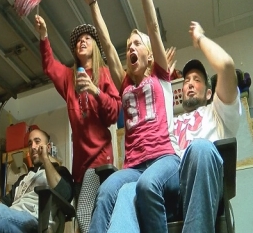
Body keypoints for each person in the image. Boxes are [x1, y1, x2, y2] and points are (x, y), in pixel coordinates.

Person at [107, 21, 241, 233]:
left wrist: (199, 38)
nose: (189, 83)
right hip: (164, 192)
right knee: (125, 191)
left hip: (199, 187)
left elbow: (225, 65)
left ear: (208, 93)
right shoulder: (171, 121)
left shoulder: (216, 112)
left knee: (200, 148)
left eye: (197, 80)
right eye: (187, 79)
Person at [86, 0, 181, 232]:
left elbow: (152, 25)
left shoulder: (160, 75)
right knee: (104, 192)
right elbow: (107, 44)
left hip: (164, 159)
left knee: (148, 185)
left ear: (150, 56)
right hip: (133, 167)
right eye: (129, 45)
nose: (131, 48)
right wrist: (93, 6)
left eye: (137, 44)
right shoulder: (125, 83)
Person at [34, 14, 121, 233]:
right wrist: (44, 35)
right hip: (79, 168)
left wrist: (95, 91)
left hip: (100, 163)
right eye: (78, 40)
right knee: (85, 225)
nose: (82, 41)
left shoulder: (104, 74)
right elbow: (49, 66)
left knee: (83, 215)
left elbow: (113, 114)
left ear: (95, 46)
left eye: (87, 38)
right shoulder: (69, 78)